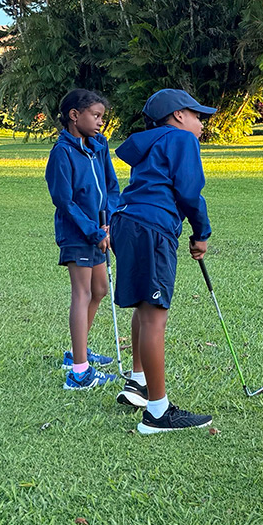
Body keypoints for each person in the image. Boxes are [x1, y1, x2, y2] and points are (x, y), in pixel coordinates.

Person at [111, 89, 217, 433]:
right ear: (177, 116)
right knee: (155, 316)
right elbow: (189, 192)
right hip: (151, 227)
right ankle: (158, 413)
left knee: (145, 307)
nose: (201, 123)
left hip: (125, 222)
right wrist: (201, 233)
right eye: (197, 115)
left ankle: (139, 382)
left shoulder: (150, 143)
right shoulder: (181, 140)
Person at [46, 89, 121, 391]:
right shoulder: (62, 152)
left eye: (102, 116)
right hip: (77, 233)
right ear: (74, 116)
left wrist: (109, 223)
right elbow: (63, 200)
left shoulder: (98, 147)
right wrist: (92, 230)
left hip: (98, 231)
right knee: (83, 293)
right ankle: (79, 372)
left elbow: (111, 188)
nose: (101, 122)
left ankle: (78, 351)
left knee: (100, 289)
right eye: (96, 115)